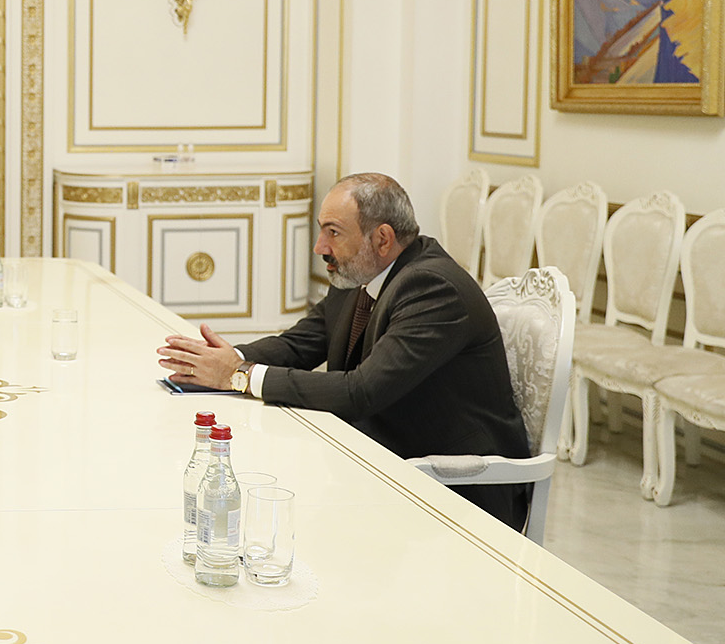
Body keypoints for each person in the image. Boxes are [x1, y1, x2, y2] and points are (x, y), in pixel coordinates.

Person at [156, 172, 532, 530]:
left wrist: (239, 376)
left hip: (459, 491)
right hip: (387, 462)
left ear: (382, 238)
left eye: (333, 232)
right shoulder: (361, 273)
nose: (320, 247)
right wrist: (221, 361)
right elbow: (299, 343)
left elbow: (360, 391)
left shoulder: (431, 288)